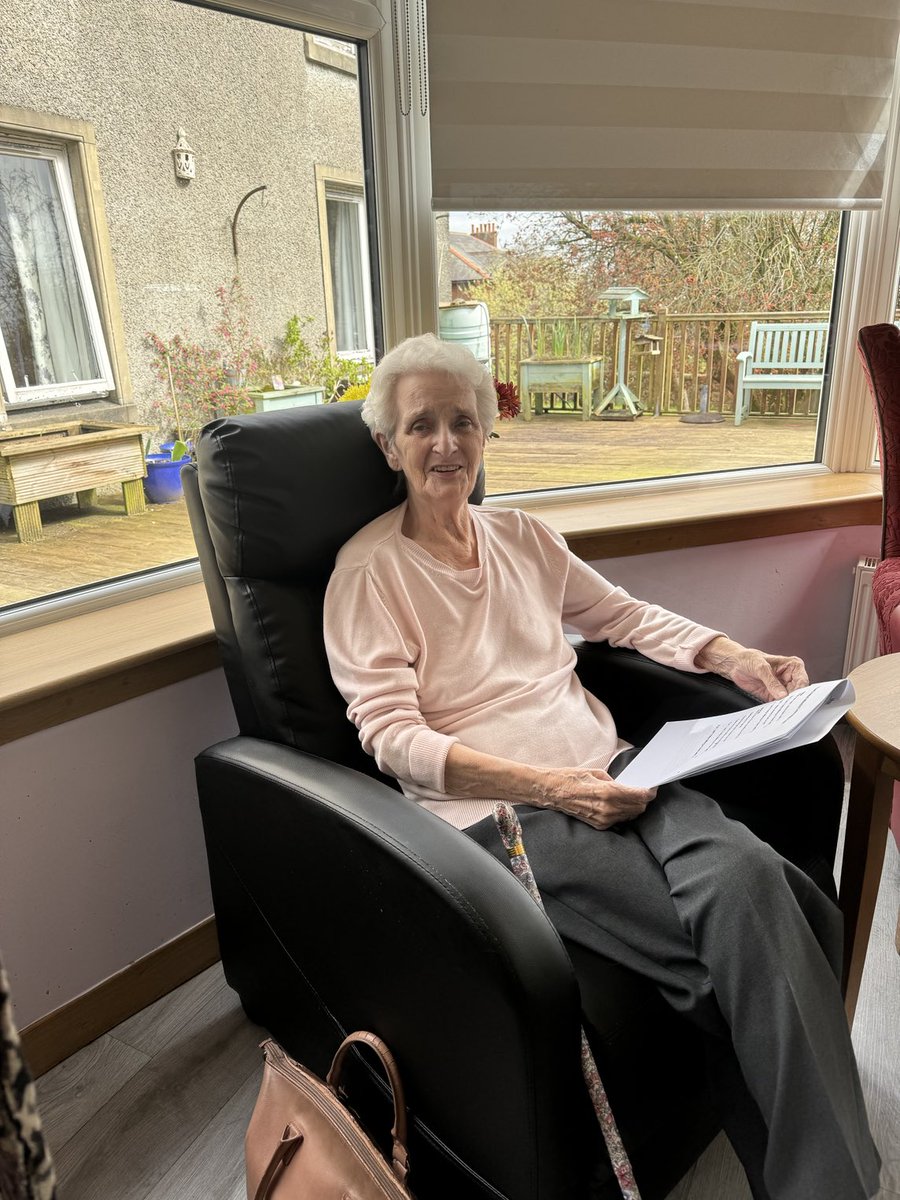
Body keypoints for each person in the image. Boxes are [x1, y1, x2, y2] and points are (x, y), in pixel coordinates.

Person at [323, 333, 881, 1200]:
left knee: (784, 897)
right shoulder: (368, 574)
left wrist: (736, 656)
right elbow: (392, 739)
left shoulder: (524, 538)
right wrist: (548, 788)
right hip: (507, 821)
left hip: (621, 769)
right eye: (420, 425)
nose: (445, 444)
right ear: (386, 445)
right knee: (751, 941)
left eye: (463, 421)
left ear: (486, 434)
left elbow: (622, 617)